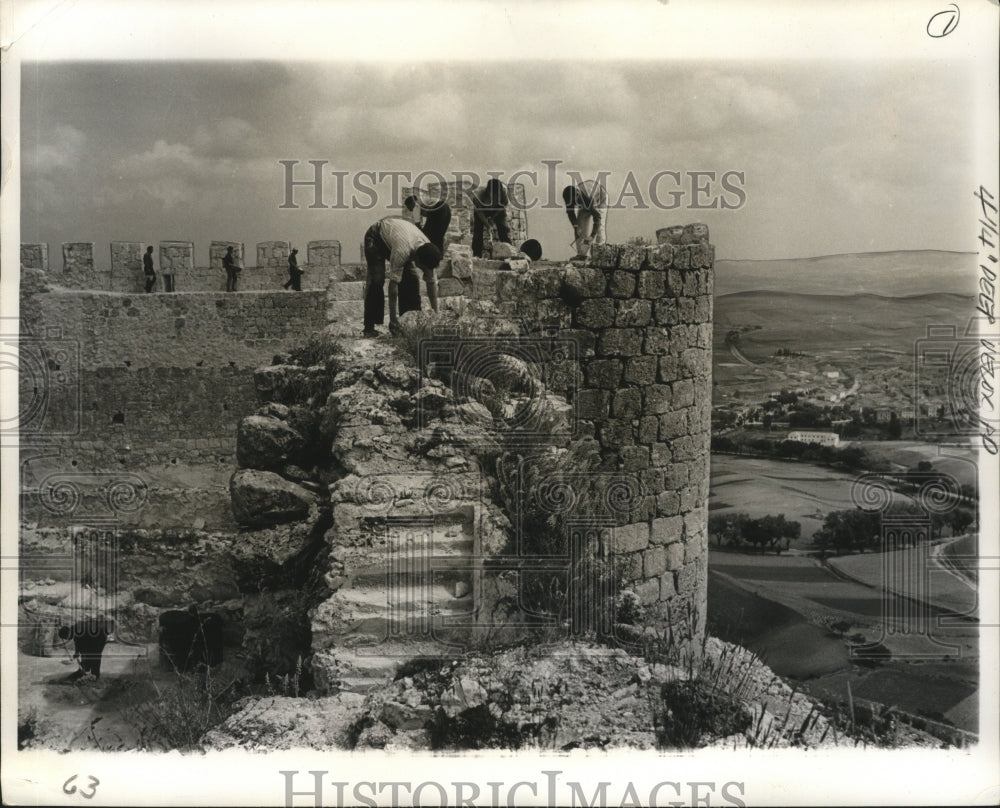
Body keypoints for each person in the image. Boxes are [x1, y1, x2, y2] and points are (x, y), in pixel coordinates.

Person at [362, 217, 441, 337]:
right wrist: (393, 319)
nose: (425, 272)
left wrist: (436, 317)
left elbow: (431, 283)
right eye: (423, 268)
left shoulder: (428, 249)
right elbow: (393, 285)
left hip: (398, 237)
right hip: (376, 236)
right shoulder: (403, 251)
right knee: (377, 280)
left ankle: (410, 323)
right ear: (417, 260)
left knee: (412, 280)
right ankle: (369, 327)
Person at [400, 195, 452, 316]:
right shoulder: (424, 201)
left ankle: (431, 260)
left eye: (409, 207)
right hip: (446, 209)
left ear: (411, 204)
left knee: (428, 237)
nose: (410, 209)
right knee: (437, 236)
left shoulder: (416, 206)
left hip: (439, 210)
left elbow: (418, 228)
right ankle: (438, 256)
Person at [58, 617, 114, 681]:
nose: (67, 639)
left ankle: (95, 675)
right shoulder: (74, 630)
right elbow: (77, 642)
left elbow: (82, 645)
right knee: (87, 653)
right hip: (92, 636)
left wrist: (79, 653)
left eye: (66, 638)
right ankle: (84, 670)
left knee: (95, 655)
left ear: (68, 633)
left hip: (99, 636)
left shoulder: (78, 631)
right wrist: (76, 652)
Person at [563, 179, 608, 258]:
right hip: (585, 202)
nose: (573, 204)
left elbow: (597, 217)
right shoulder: (570, 197)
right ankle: (581, 254)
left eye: (574, 202)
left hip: (600, 199)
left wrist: (592, 236)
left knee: (600, 227)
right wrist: (576, 226)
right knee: (580, 226)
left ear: (577, 194)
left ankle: (600, 254)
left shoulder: (588, 197)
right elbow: (570, 213)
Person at [469, 178, 512, 258]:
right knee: (477, 231)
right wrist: (488, 225)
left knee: (504, 229)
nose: (495, 196)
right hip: (482, 210)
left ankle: (509, 252)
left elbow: (503, 206)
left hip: (498, 210)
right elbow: (480, 213)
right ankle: (477, 255)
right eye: (493, 194)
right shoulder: (478, 195)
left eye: (497, 194)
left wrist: (493, 217)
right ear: (488, 191)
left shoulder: (503, 192)